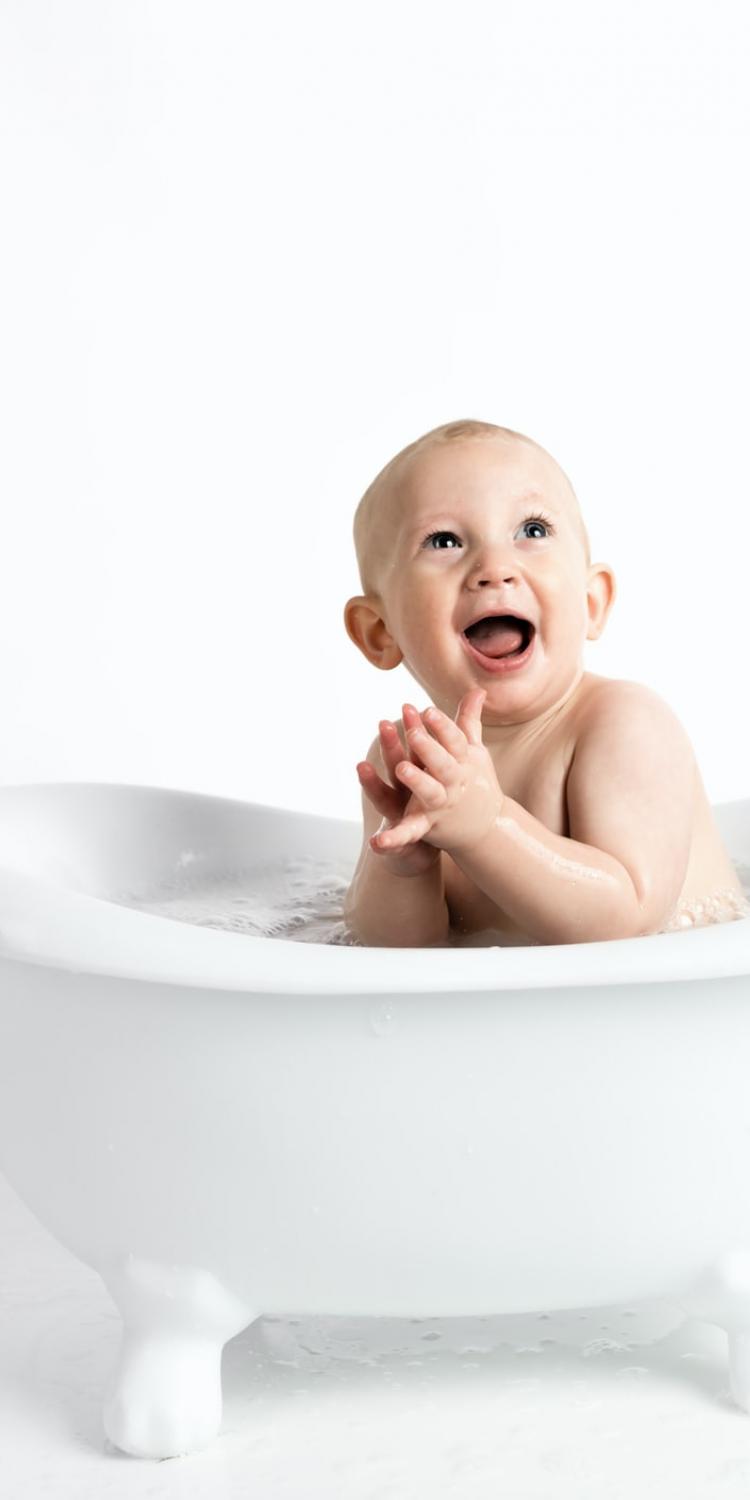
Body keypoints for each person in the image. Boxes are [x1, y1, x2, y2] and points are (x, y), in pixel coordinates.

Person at [342, 419, 749, 947]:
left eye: (531, 531)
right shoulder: (407, 760)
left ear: (591, 602)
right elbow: (395, 952)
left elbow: (630, 920)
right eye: (444, 541)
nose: (495, 567)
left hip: (672, 1008)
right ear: (380, 633)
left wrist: (488, 827)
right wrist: (403, 869)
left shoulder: (623, 725)